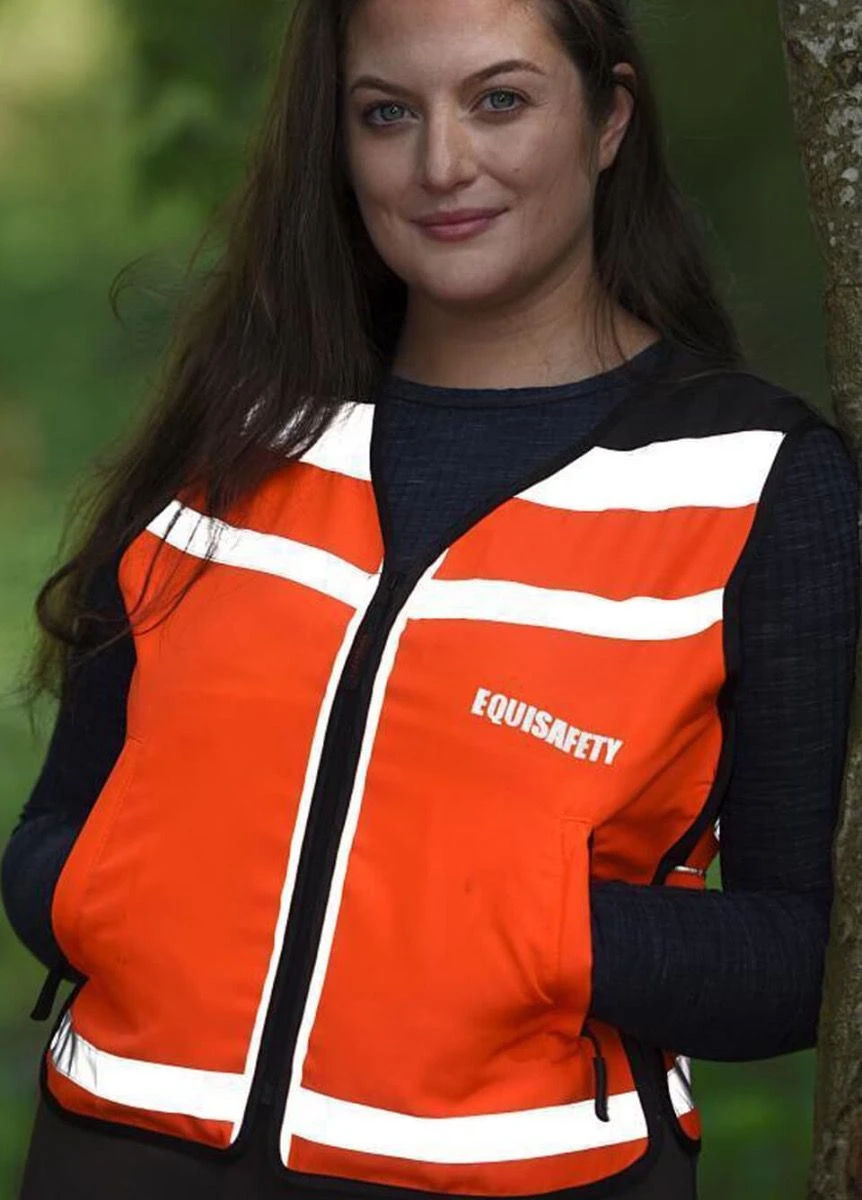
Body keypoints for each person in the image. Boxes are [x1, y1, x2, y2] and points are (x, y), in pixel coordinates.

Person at [2, 0, 858, 1197]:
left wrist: (517, 928)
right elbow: (57, 838)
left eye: (499, 100)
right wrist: (136, 895)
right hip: (114, 1157)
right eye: (386, 113)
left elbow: (802, 956)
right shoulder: (242, 435)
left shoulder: (750, 482)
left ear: (609, 119)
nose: (441, 163)